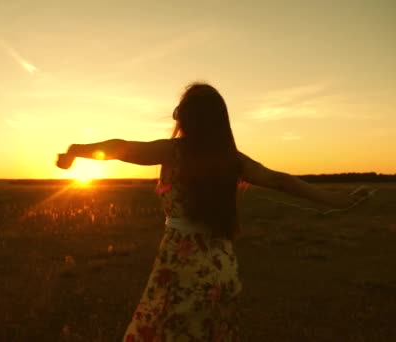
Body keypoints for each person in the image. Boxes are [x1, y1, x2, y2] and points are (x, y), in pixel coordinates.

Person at [55, 82, 369, 341]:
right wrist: (337, 200)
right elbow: (280, 180)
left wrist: (76, 151)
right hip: (222, 269)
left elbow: (120, 148)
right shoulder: (233, 159)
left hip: (180, 268)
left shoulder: (173, 151)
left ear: (186, 118)